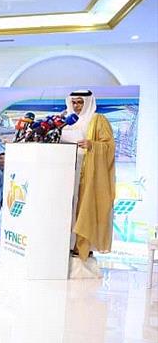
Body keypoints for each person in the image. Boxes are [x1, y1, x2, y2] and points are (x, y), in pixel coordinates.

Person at [61, 89, 115, 276]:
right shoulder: (65, 120)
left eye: (80, 102)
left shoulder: (98, 120)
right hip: (65, 173)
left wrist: (92, 145)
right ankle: (65, 245)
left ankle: (82, 246)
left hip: (87, 174)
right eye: (74, 102)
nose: (76, 106)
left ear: (87, 102)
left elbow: (109, 146)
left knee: (84, 208)